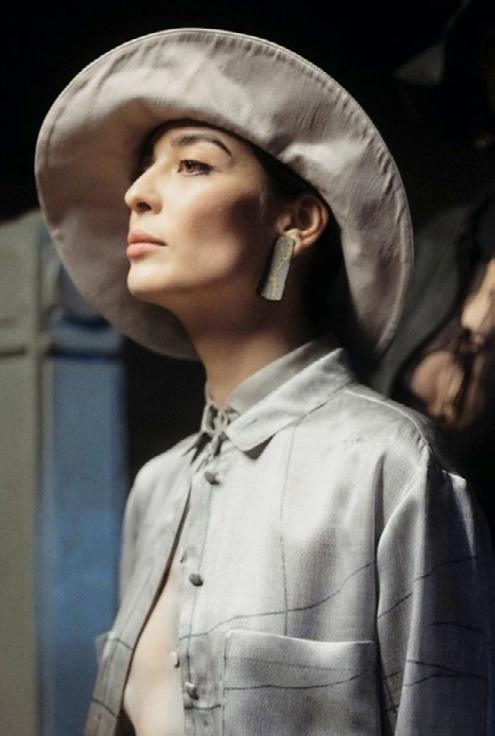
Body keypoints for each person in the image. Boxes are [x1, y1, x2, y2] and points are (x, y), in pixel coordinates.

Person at [35, 28, 494, 736]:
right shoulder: (156, 488)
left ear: (296, 221)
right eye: (143, 171)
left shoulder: (389, 464)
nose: (136, 194)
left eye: (192, 165)